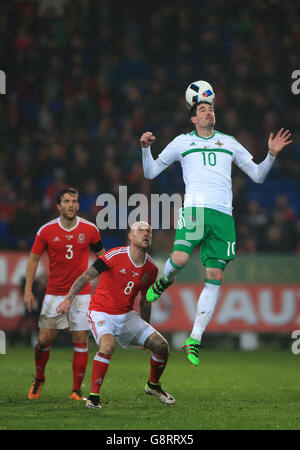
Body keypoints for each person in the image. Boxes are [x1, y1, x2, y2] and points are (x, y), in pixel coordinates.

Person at [140, 80, 292, 367]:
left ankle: (194, 339)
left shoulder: (230, 142)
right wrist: (145, 149)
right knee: (181, 259)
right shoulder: (182, 142)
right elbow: (150, 172)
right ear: (193, 117)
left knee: (215, 277)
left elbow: (258, 175)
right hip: (195, 211)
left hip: (223, 216)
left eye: (211, 108)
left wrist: (270, 155)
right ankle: (164, 281)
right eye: (202, 109)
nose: (209, 112)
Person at [57, 221, 175, 408]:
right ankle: (94, 398)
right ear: (131, 236)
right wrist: (68, 299)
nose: (146, 234)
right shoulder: (114, 255)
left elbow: (145, 300)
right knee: (108, 345)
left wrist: (146, 326)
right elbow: (86, 276)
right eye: (140, 230)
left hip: (127, 316)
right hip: (101, 312)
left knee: (162, 347)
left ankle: (153, 385)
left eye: (149, 231)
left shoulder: (151, 269)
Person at [24, 187, 105, 400]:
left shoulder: (90, 230)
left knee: (81, 340)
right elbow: (33, 258)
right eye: (67, 201)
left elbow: (103, 258)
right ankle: (40, 378)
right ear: (59, 206)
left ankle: (76, 391)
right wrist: (28, 289)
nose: (71, 205)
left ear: (78, 205)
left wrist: (106, 284)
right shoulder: (46, 231)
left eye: (74, 201)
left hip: (81, 294)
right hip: (54, 293)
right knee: (43, 340)